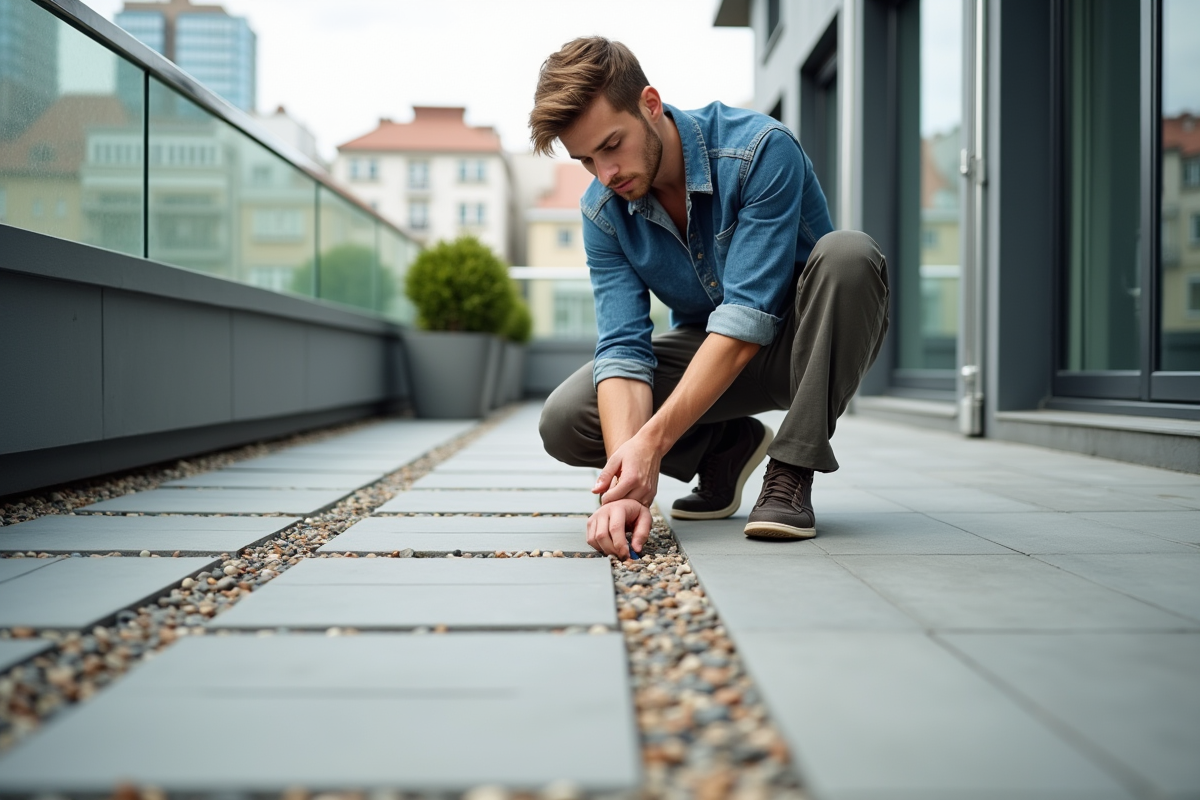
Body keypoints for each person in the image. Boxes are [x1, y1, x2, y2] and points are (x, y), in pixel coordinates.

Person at [529, 37, 890, 559]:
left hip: (809, 342)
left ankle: (791, 470)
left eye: (611, 145)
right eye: (586, 160)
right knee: (566, 419)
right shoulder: (603, 210)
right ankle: (725, 446)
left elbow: (748, 315)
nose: (605, 174)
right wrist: (623, 491)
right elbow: (623, 350)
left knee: (849, 255)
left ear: (650, 105)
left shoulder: (759, 150)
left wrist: (652, 444)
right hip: (712, 358)